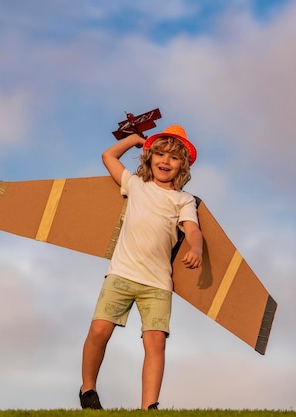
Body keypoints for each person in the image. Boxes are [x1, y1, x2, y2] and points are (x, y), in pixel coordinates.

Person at [79, 125, 203, 410]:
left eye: (173, 157)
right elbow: (108, 156)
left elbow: (193, 231)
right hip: (121, 274)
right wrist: (135, 139)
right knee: (99, 332)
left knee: (155, 343)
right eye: (159, 153)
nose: (164, 161)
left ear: (182, 165)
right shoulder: (135, 184)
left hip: (158, 284)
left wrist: (195, 248)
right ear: (148, 158)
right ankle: (87, 390)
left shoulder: (183, 200)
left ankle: (150, 407)